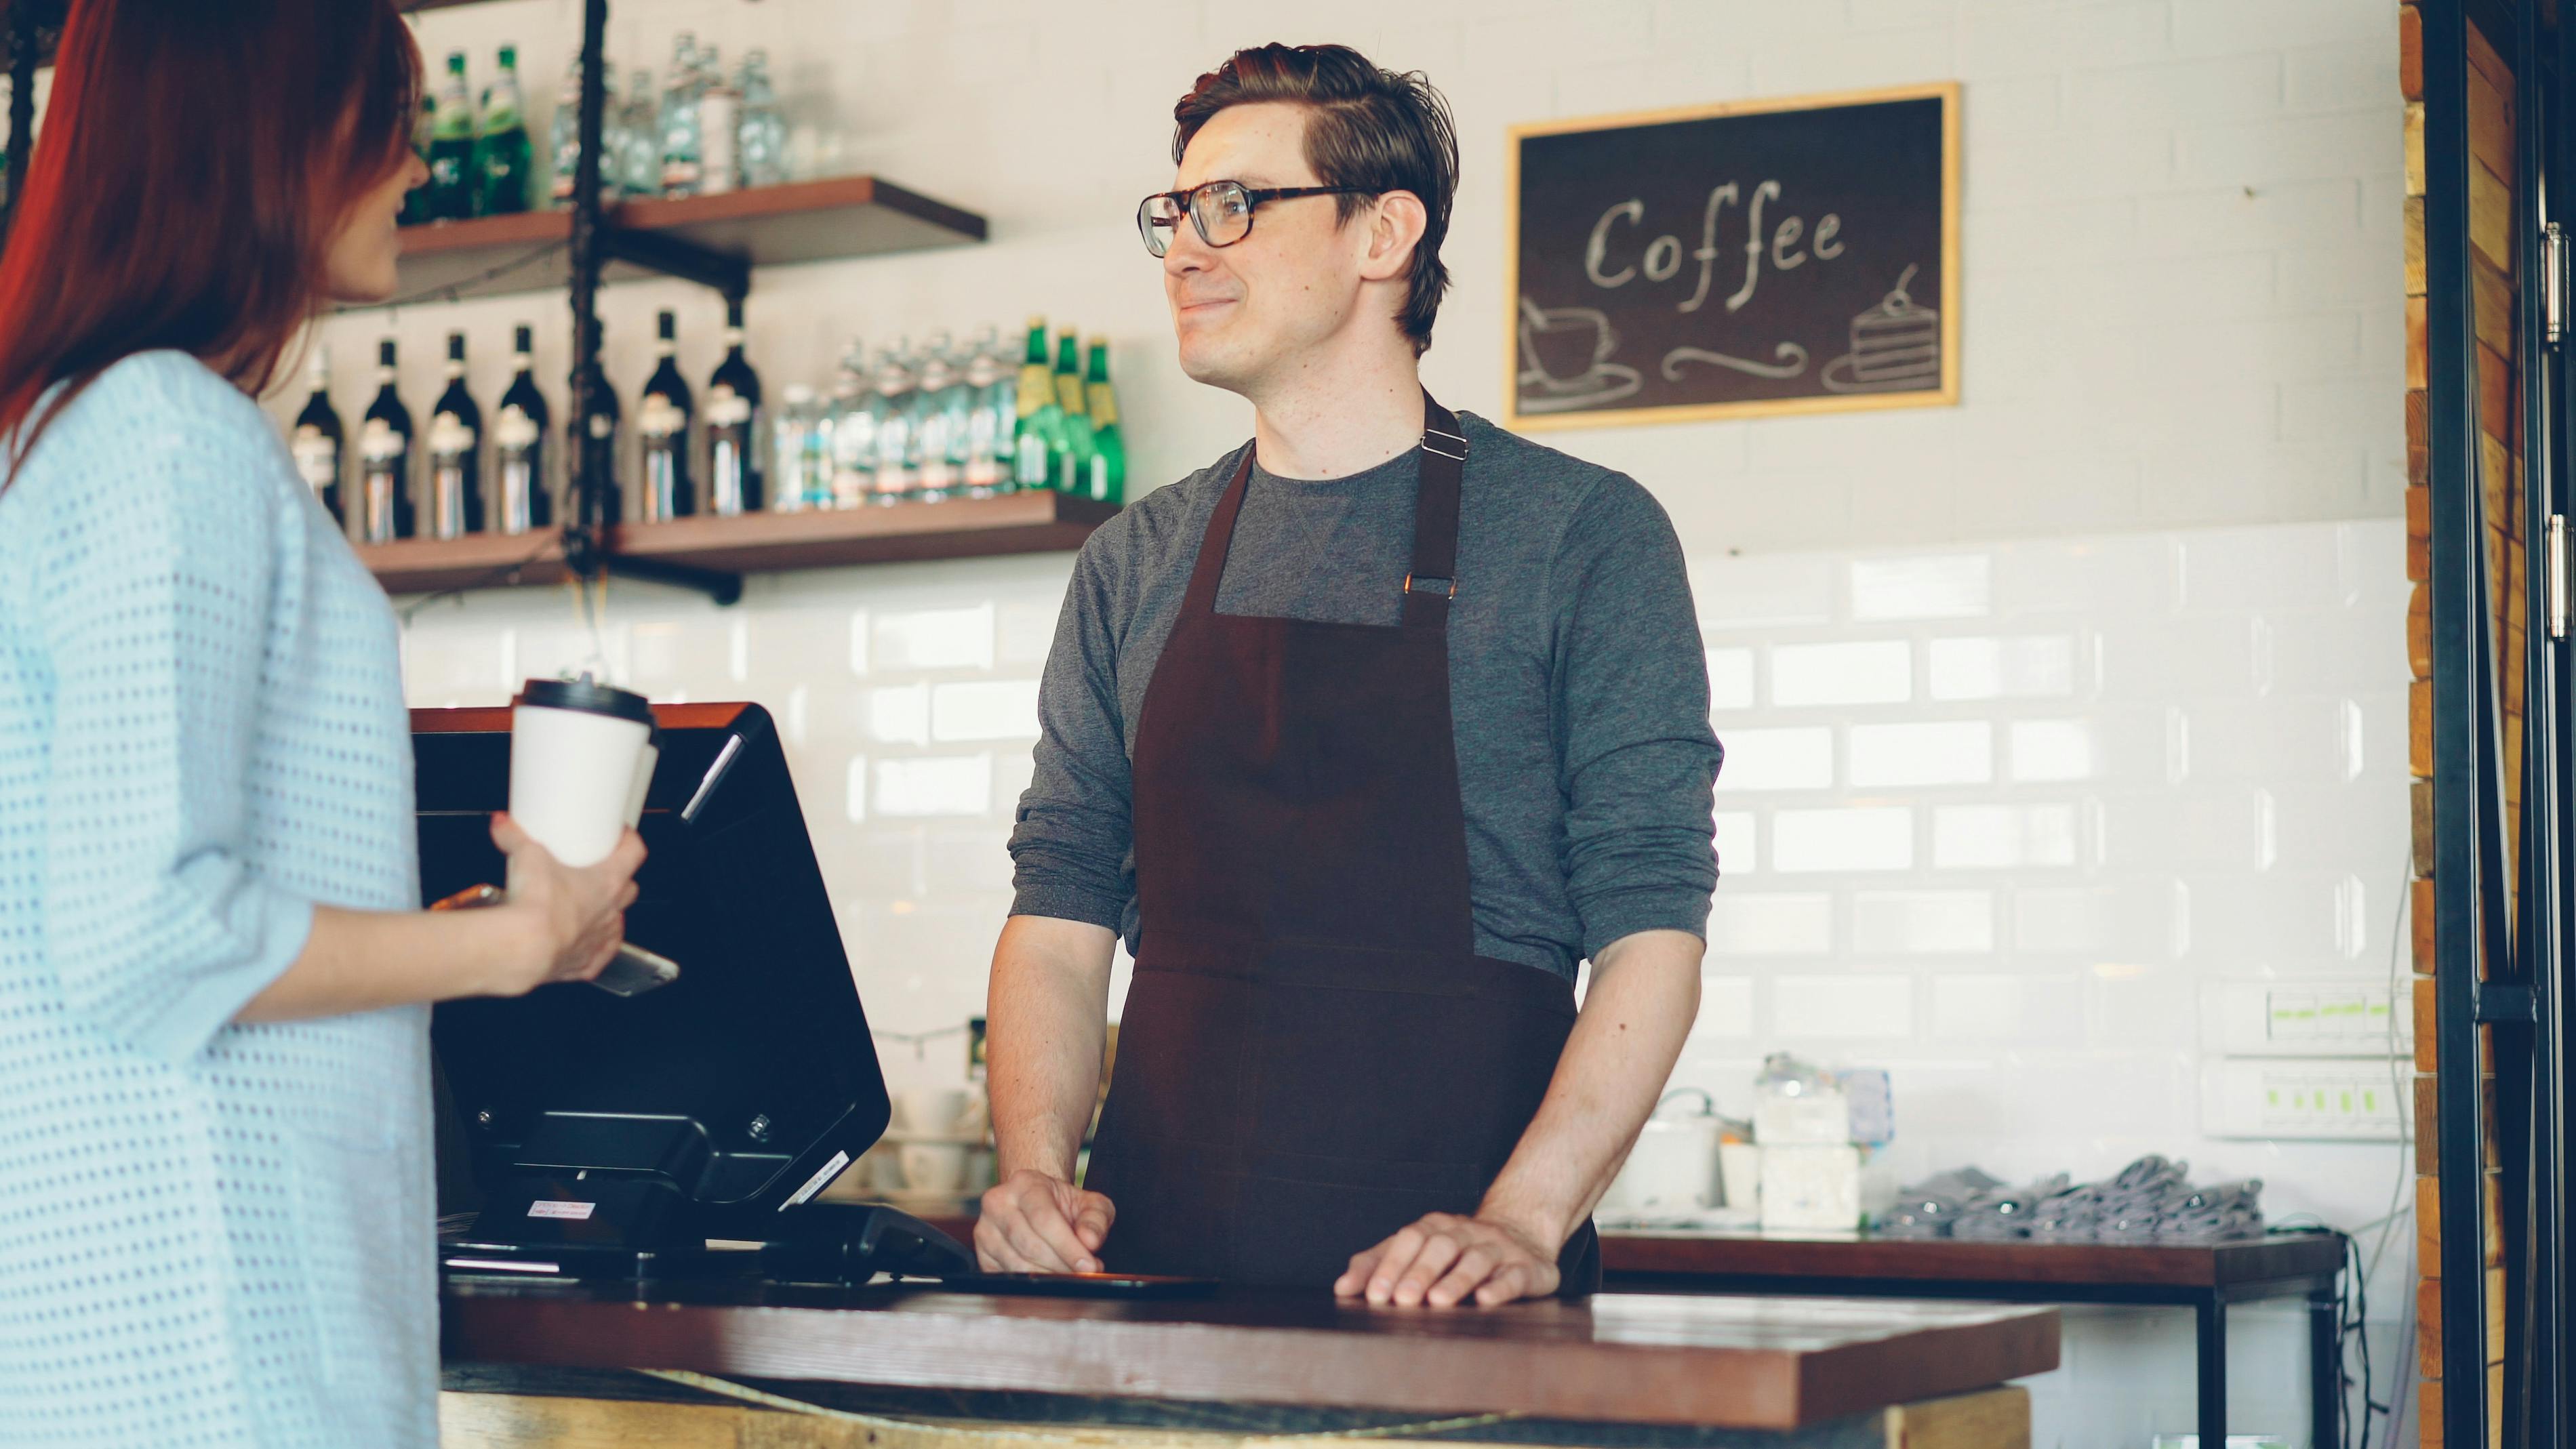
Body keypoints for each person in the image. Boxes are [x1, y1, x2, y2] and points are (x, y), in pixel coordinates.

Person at [980, 43, 1722, 1309]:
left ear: (1384, 234)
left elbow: (1652, 926)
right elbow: (1057, 919)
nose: (1185, 250)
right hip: (1141, 1292)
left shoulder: (1581, 535)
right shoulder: (1134, 560)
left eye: (1237, 207)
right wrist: (1033, 1173)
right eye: (1176, 212)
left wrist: (1523, 1223)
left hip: (1459, 1306)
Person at [0, 1, 644, 1441]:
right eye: (388, 125)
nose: (414, 168)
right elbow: (146, 929)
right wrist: (521, 939)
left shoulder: (63, 437)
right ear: (273, 136)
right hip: (213, 1332)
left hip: (121, 1331)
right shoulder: (170, 437)